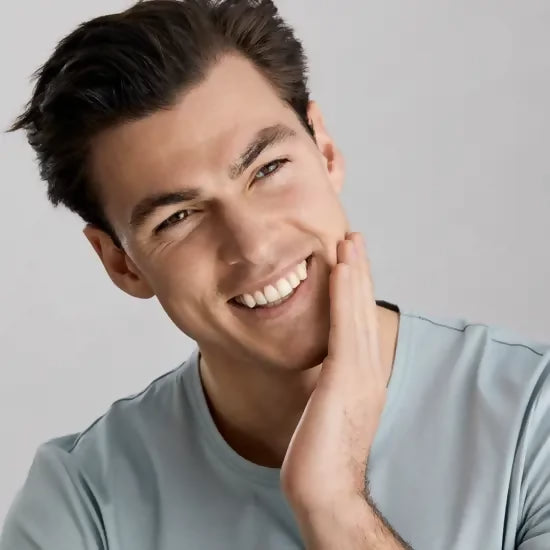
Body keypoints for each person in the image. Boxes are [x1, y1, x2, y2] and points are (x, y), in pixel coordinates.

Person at [2, 1, 549, 548]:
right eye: (179, 217)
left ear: (324, 150)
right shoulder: (81, 506)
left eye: (268, 169)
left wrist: (334, 502)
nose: (254, 246)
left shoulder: (533, 416)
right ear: (120, 263)